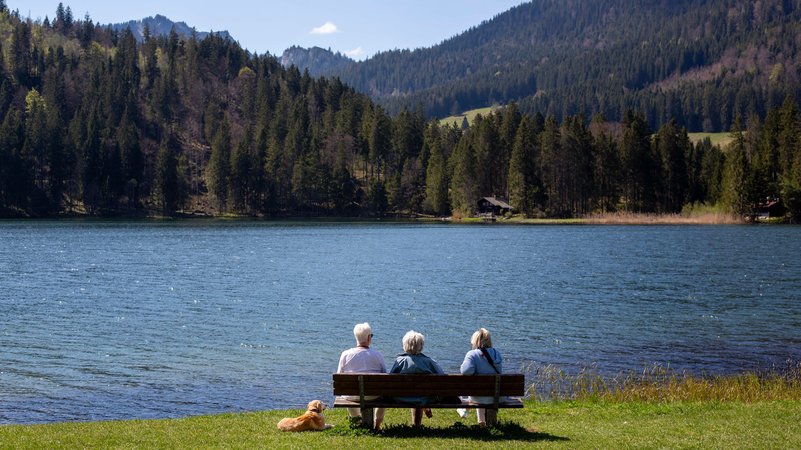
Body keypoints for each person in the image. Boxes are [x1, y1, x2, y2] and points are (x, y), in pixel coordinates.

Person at [337, 322, 387, 429]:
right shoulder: (378, 355)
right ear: (369, 338)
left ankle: (358, 422)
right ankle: (377, 424)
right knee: (384, 393)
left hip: (351, 395)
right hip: (373, 395)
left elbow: (340, 376)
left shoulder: (345, 354)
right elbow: (385, 377)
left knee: (348, 391)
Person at [389, 330, 444, 426]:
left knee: (412, 392)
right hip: (426, 398)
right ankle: (419, 421)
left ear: (405, 345)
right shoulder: (429, 362)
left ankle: (417, 423)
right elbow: (442, 378)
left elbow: (390, 379)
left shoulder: (400, 361)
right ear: (421, 346)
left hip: (402, 397)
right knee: (419, 394)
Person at [459, 327, 503, 427]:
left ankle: (478, 420)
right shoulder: (496, 353)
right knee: (482, 392)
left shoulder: (472, 354)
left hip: (479, 396)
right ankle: (483, 422)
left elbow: (466, 371)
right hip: (497, 397)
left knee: (478, 393)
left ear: (475, 341)